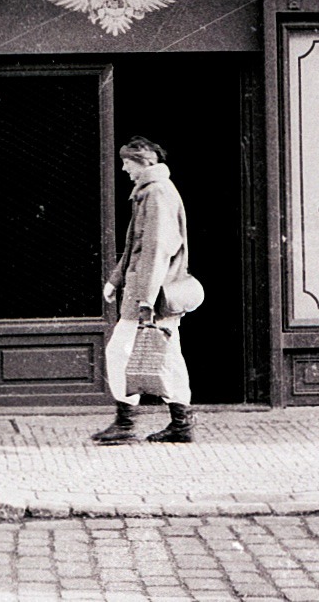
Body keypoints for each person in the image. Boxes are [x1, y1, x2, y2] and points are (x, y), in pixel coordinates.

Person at [91, 136, 195, 444]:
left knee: (119, 352)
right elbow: (136, 247)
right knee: (169, 357)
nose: (123, 168)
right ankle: (180, 424)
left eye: (127, 162)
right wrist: (115, 279)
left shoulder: (157, 193)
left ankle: (126, 423)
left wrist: (145, 301)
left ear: (143, 163)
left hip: (151, 295)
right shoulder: (150, 192)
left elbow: (156, 250)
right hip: (148, 291)